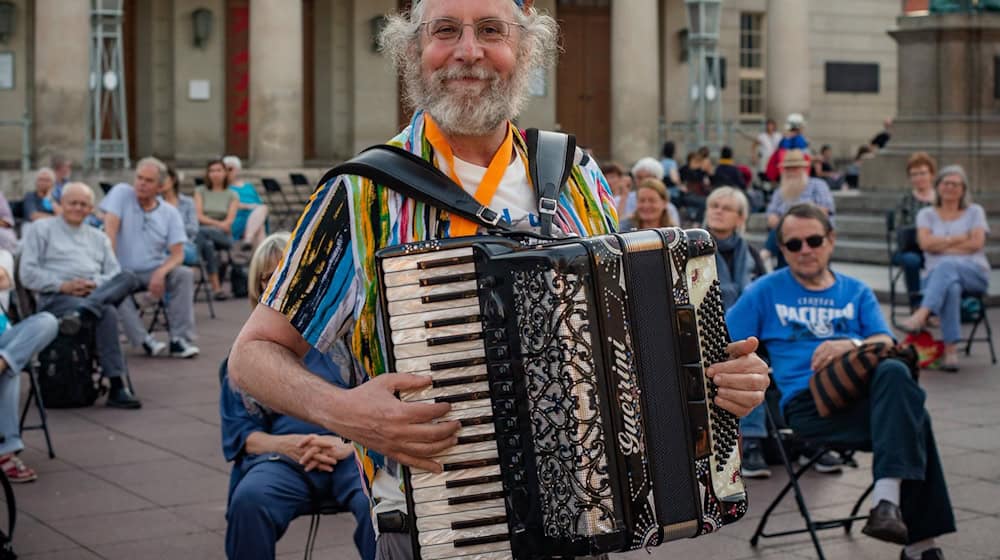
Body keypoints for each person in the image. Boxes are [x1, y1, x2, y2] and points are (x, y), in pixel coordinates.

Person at [228, 2, 769, 558]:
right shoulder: (361, 195)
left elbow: (627, 344)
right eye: (445, 32)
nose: (469, 51)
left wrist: (713, 379)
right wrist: (347, 412)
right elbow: (251, 356)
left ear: (524, 52)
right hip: (434, 534)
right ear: (413, 52)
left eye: (491, 31)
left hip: (587, 531)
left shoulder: (575, 174)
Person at [728, 203, 955, 560]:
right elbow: (723, 339)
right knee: (915, 420)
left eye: (814, 240)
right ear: (783, 249)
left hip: (864, 399)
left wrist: (849, 343)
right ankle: (916, 539)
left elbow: (885, 344)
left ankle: (888, 503)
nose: (805, 250)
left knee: (895, 372)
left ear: (831, 241)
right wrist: (750, 363)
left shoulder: (856, 291)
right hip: (809, 407)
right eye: (793, 244)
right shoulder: (765, 291)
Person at [222, 232, 375, 560]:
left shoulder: (350, 344)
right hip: (282, 458)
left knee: (378, 503)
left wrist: (349, 445)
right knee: (250, 500)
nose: (283, 289)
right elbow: (241, 436)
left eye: (291, 277)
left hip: (348, 452)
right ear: (257, 288)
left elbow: (377, 406)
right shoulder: (244, 359)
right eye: (271, 279)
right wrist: (289, 445)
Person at [19, 182, 143, 409]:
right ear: (60, 205)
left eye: (84, 204)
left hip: (93, 294)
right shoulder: (41, 229)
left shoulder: (99, 237)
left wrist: (94, 284)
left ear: (91, 209)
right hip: (56, 298)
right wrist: (63, 285)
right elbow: (27, 273)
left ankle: (83, 312)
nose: (78, 208)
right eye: (72, 203)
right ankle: (116, 384)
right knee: (106, 312)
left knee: (129, 277)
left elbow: (114, 275)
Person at [100, 157, 200, 359]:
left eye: (148, 180)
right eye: (139, 178)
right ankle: (144, 340)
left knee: (183, 275)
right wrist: (113, 269)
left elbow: (178, 254)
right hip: (121, 269)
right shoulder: (121, 193)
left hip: (152, 269)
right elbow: (110, 231)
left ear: (161, 186)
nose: (141, 183)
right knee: (114, 285)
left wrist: (161, 273)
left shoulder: (170, 213)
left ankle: (179, 340)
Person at [703, 187, 770, 477]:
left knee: (753, 359)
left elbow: (764, 294)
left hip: (747, 333)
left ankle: (752, 442)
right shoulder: (694, 247)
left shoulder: (752, 254)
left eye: (726, 207)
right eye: (714, 205)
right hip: (705, 330)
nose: (717, 210)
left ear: (741, 217)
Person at [900, 165, 990, 372]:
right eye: (946, 183)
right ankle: (951, 351)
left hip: (974, 273)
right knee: (951, 286)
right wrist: (959, 239)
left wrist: (941, 244)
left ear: (964, 188)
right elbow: (925, 245)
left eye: (956, 184)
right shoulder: (926, 214)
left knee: (946, 264)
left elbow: (977, 244)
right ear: (938, 186)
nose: (950, 187)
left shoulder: (975, 211)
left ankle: (922, 313)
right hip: (935, 278)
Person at [0, 248, 59, 482]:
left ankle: (3, 361)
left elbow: (2, 279)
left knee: (47, 321)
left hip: (6, 339)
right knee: (10, 369)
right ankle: (5, 452)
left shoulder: (2, 254)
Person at [764, 149, 835, 268]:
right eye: (788, 169)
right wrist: (779, 220)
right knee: (784, 231)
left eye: (795, 168)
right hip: (787, 235)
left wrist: (796, 217)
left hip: (812, 231)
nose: (791, 172)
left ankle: (766, 252)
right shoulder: (780, 192)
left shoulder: (817, 185)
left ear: (803, 169)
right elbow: (771, 215)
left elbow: (824, 211)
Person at [892, 153, 937, 306]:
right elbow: (899, 229)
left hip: (938, 246)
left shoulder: (941, 199)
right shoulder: (905, 200)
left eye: (923, 173)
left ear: (932, 174)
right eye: (914, 174)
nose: (919, 178)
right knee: (911, 261)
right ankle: (917, 305)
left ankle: (939, 306)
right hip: (910, 248)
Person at [195, 160, 239, 299]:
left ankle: (192, 261)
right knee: (207, 244)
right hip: (205, 234)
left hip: (223, 236)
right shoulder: (200, 191)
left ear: (225, 173)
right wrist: (217, 223)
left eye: (218, 170)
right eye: (212, 170)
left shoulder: (232, 195)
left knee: (200, 232)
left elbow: (229, 222)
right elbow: (198, 216)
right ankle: (217, 289)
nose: (215, 174)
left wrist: (214, 225)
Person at [223, 155, 269, 259]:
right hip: (237, 218)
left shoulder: (248, 186)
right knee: (260, 226)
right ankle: (261, 262)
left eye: (230, 169)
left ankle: (249, 241)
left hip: (254, 218)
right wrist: (248, 206)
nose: (227, 172)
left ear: (237, 170)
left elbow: (259, 201)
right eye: (225, 169)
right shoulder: (225, 188)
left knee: (262, 212)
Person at [160, 167, 201, 267]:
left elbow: (194, 229)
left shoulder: (187, 202)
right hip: (160, 246)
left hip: (185, 245)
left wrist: (172, 227)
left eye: (163, 178)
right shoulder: (155, 203)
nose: (160, 182)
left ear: (173, 180)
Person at [633, 157, 682, 225]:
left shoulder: (670, 210)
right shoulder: (627, 225)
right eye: (639, 177)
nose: (646, 205)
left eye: (652, 200)